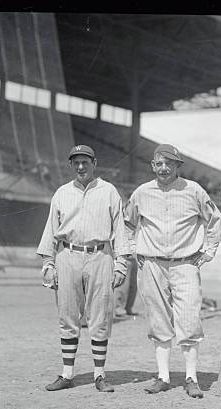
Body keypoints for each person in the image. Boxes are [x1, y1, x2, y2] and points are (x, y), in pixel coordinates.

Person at [124, 144, 221, 399]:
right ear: (153, 166)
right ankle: (163, 377)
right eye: (159, 163)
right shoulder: (142, 192)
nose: (164, 168)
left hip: (185, 263)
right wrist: (135, 249)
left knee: (189, 319)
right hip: (152, 264)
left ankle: (191, 377)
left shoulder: (194, 191)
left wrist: (208, 251)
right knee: (158, 320)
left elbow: (215, 220)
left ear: (178, 166)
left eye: (169, 163)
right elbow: (127, 223)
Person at [37, 144, 130, 393]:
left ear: (94, 163)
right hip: (67, 254)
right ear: (71, 165)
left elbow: (120, 230)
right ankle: (67, 374)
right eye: (76, 162)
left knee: (100, 316)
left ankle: (99, 375)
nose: (80, 166)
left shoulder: (109, 191)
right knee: (67, 315)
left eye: (85, 162)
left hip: (100, 255)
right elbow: (50, 230)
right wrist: (48, 262)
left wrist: (121, 264)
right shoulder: (61, 193)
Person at [114, 249, 139, 317]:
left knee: (133, 285)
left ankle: (128, 307)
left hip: (134, 257)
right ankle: (118, 308)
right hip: (124, 258)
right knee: (123, 286)